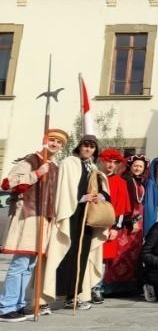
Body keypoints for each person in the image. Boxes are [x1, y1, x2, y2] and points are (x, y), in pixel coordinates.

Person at [0, 128, 66, 322]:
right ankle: (6, 306)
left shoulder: (55, 166)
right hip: (27, 216)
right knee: (20, 263)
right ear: (46, 141)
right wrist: (37, 173)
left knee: (29, 265)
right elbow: (8, 183)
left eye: (59, 142)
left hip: (43, 218)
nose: (55, 144)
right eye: (52, 140)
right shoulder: (31, 161)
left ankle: (19, 304)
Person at [43, 135, 108, 310]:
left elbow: (104, 191)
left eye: (92, 147)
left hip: (87, 219)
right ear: (79, 147)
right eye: (86, 146)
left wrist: (100, 196)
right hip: (70, 215)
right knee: (64, 254)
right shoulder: (69, 163)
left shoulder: (94, 168)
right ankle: (46, 298)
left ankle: (74, 296)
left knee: (82, 256)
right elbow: (63, 190)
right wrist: (81, 198)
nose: (88, 149)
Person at [103, 153, 148, 295]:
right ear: (130, 166)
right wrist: (131, 221)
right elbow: (124, 202)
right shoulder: (126, 179)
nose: (138, 168)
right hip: (128, 220)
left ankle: (129, 284)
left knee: (133, 254)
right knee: (120, 253)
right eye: (136, 166)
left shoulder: (139, 181)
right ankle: (114, 285)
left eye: (141, 166)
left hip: (139, 219)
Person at [96, 149, 132, 304]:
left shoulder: (120, 182)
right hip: (92, 224)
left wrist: (116, 228)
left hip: (109, 225)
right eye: (108, 161)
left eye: (114, 162)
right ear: (103, 161)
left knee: (103, 259)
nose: (111, 165)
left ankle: (97, 288)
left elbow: (122, 208)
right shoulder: (95, 179)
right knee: (90, 256)